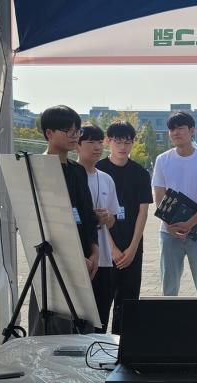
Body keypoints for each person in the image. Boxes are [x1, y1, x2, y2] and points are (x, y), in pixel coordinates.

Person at [29, 105, 98, 335]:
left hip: (82, 257)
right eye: (68, 131)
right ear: (49, 133)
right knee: (51, 322)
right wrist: (75, 255)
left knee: (81, 323)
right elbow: (42, 219)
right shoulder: (35, 167)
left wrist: (94, 250)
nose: (74, 135)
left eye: (77, 131)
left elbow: (87, 214)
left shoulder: (78, 171)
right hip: (51, 255)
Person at [152, 111, 197, 296]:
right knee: (169, 288)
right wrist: (169, 224)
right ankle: (169, 316)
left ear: (192, 130)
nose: (176, 133)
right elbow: (159, 195)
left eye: (180, 128)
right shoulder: (162, 160)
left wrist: (190, 224)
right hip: (169, 233)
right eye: (172, 129)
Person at [96, 121, 153, 334]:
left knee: (128, 303)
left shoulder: (140, 173)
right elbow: (97, 214)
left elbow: (143, 212)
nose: (123, 147)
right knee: (102, 302)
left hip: (132, 245)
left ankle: (122, 346)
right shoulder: (98, 170)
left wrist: (133, 249)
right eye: (118, 141)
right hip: (104, 247)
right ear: (108, 141)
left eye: (127, 142)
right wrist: (112, 249)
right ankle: (98, 344)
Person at [76, 124, 120, 333]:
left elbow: (113, 220)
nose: (97, 147)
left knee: (101, 319)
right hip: (80, 257)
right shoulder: (71, 177)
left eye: (99, 142)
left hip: (104, 260)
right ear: (77, 145)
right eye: (90, 142)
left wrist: (108, 218)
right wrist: (91, 217)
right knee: (79, 320)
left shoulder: (106, 179)